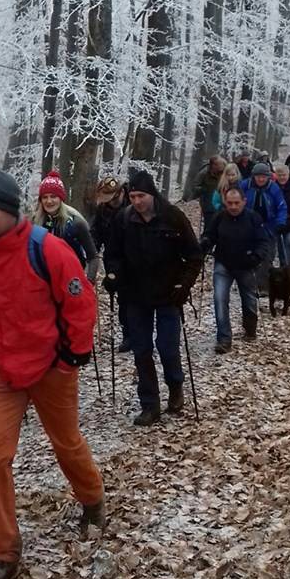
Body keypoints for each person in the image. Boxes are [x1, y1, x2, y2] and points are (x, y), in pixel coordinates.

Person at [0, 169, 105, 579]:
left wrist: (71, 357)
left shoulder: (49, 249)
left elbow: (80, 302)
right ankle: (3, 552)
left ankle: (92, 498)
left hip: (50, 368)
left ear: (10, 209)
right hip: (4, 372)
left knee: (66, 442)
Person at [105, 170, 202, 426]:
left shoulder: (173, 217)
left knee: (167, 346)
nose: (137, 201)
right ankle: (149, 404)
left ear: (152, 194)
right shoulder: (123, 220)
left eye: (142, 196)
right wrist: (113, 275)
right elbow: (113, 254)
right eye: (133, 196)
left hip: (169, 293)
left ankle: (175, 386)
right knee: (141, 349)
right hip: (135, 294)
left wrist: (184, 285)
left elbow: (194, 256)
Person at [201, 186, 271, 354]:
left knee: (249, 300)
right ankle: (224, 339)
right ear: (225, 202)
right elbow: (210, 235)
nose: (233, 206)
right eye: (230, 203)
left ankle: (250, 329)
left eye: (236, 203)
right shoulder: (219, 217)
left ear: (244, 202)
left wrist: (256, 256)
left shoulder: (253, 218)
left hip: (246, 265)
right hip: (223, 264)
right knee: (219, 299)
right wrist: (205, 243)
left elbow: (263, 241)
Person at [90, 176, 131, 352]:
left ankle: (140, 331)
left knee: (136, 297)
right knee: (123, 297)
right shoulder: (102, 210)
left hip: (135, 257)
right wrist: (92, 249)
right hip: (114, 260)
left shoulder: (133, 205)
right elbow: (96, 232)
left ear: (121, 192)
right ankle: (128, 334)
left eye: (114, 199)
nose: (111, 203)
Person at [34, 170, 99, 282]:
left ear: (61, 199)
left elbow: (93, 257)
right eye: (45, 197)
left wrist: (89, 281)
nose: (49, 201)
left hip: (71, 281)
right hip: (43, 281)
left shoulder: (76, 223)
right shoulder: (35, 223)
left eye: (53, 196)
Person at [240, 163, 287, 288]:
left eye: (264, 177)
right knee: (248, 254)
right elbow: (236, 201)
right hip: (248, 226)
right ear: (253, 176)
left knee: (267, 256)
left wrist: (281, 222)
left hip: (269, 227)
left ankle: (263, 285)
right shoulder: (245, 186)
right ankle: (248, 283)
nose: (261, 179)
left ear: (268, 177)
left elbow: (281, 207)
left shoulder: (274, 188)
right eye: (258, 176)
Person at [190, 155, 226, 232]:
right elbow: (195, 187)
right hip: (208, 203)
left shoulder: (224, 172)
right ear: (214, 165)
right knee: (209, 225)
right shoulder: (204, 173)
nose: (221, 166)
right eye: (220, 164)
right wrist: (205, 189)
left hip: (221, 202)